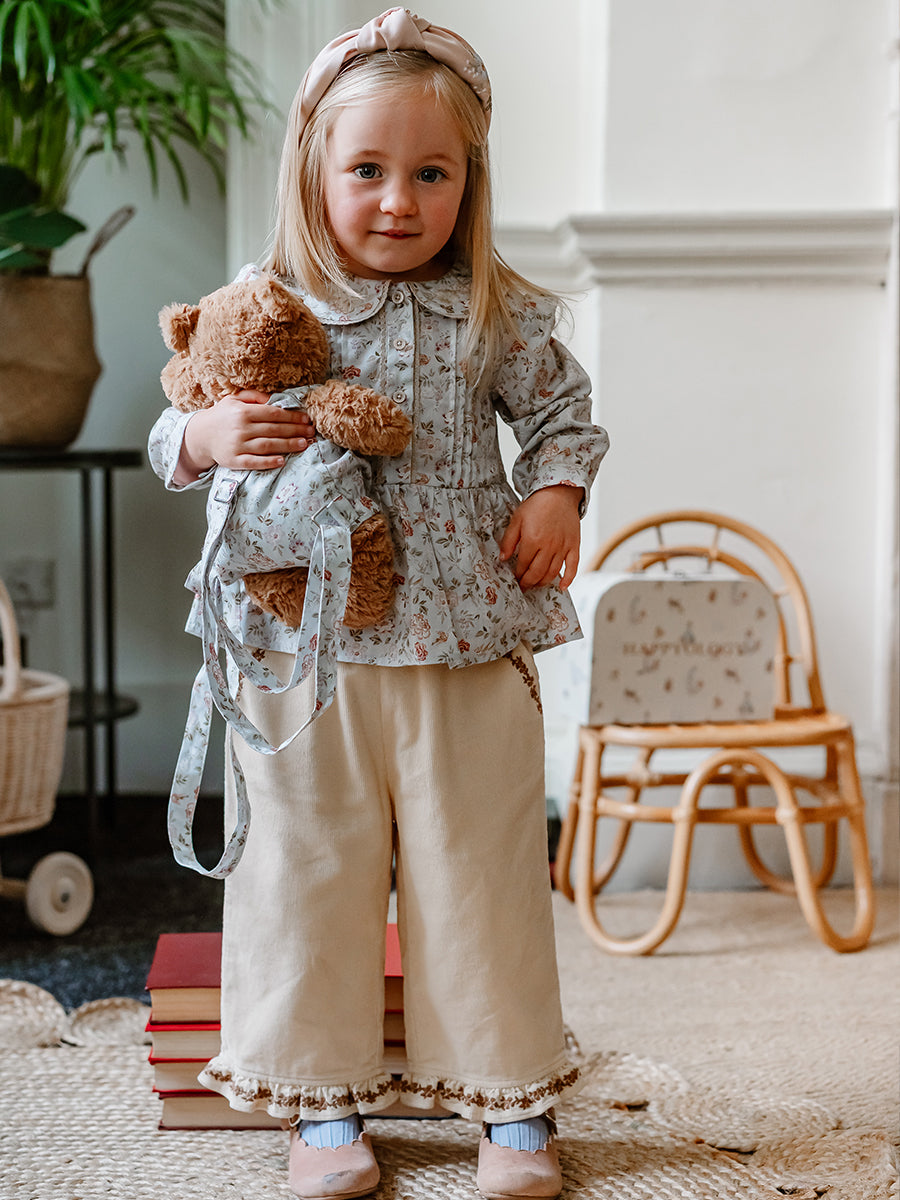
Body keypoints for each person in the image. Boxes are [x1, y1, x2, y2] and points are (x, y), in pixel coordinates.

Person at [148, 9, 608, 1199]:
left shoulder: (495, 311)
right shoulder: (265, 301)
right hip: (301, 652)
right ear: (315, 172)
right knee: (307, 868)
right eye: (367, 170)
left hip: (466, 636)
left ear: (469, 182)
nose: (399, 200)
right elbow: (169, 428)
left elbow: (564, 418)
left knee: (480, 871)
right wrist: (204, 435)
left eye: (431, 174)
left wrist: (555, 494)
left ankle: (508, 1097)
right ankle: (323, 1102)